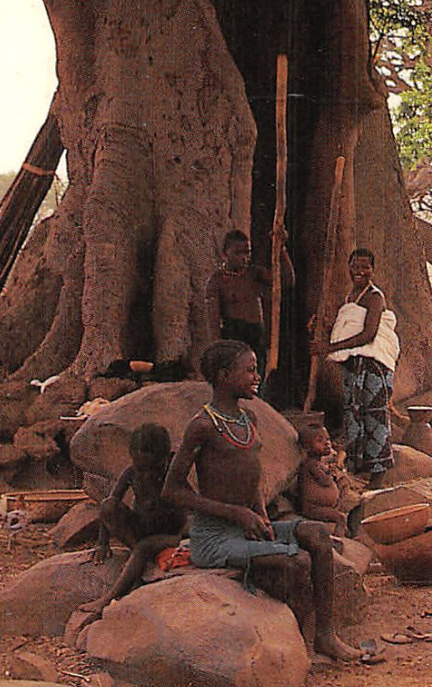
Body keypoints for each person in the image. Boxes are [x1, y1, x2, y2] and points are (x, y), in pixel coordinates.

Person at [165, 339, 373, 663]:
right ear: (222, 376)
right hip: (214, 538)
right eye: (249, 370)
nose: (257, 376)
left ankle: (325, 636)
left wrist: (259, 513)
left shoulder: (250, 419)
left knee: (318, 536)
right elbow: (173, 491)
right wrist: (236, 515)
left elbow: (252, 477)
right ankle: (294, 647)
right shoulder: (202, 426)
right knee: (298, 561)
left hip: (247, 526)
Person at [74, 423, 188, 631]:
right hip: (141, 530)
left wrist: (182, 538)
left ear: (161, 456)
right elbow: (110, 502)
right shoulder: (132, 472)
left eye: (145, 457)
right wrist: (103, 543)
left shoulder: (171, 473)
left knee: (145, 547)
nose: (138, 461)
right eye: (135, 455)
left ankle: (111, 596)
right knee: (108, 506)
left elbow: (188, 507)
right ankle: (137, 562)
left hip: (168, 534)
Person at [313, 248, 400, 490]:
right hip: (355, 366)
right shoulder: (351, 296)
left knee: (376, 417)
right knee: (355, 414)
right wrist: (325, 327)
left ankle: (379, 476)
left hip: (373, 367)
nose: (360, 271)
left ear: (373, 269)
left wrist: (329, 347)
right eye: (356, 266)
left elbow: (368, 335)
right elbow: (349, 327)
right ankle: (357, 468)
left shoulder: (374, 297)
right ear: (349, 267)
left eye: (365, 267)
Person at [207, 229, 291, 376]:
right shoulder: (217, 281)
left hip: (257, 338)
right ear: (225, 253)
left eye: (247, 252)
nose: (244, 258)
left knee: (256, 381)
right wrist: (219, 350)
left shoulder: (254, 274)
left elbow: (287, 280)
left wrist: (281, 248)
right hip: (234, 336)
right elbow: (213, 321)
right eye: (238, 253)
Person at [297, 423, 350, 541]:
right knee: (340, 518)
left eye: (328, 439)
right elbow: (325, 481)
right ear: (307, 447)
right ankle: (338, 539)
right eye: (320, 441)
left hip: (322, 506)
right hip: (313, 508)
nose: (327, 443)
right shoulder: (311, 464)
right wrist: (331, 472)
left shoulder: (318, 464)